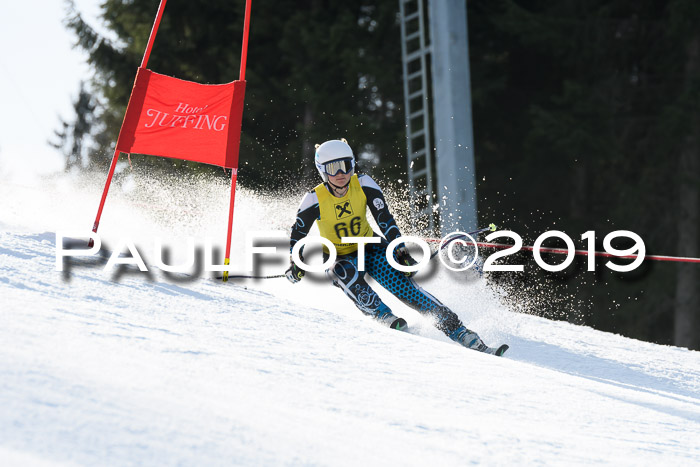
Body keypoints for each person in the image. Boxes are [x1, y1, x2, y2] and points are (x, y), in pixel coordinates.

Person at [285, 139, 507, 356]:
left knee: (407, 289)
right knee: (343, 272)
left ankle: (460, 331)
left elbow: (385, 220)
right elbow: (298, 235)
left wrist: (400, 253)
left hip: (371, 249)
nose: (341, 173)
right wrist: (296, 264)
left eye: (346, 165)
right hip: (340, 257)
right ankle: (383, 315)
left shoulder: (363, 184)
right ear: (322, 171)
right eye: (333, 168)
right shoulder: (313, 199)